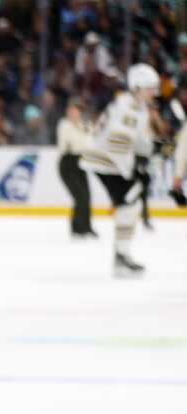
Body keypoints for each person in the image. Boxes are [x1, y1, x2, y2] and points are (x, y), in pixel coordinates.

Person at [81, 64, 158, 277]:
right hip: (106, 161)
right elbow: (119, 143)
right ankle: (121, 258)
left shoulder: (134, 105)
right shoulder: (130, 107)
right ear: (137, 87)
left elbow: (135, 141)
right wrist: (133, 169)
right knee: (130, 203)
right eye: (150, 87)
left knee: (130, 204)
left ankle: (121, 256)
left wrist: (154, 148)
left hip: (106, 160)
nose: (154, 92)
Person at [56, 98, 97, 239]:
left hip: (81, 161)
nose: (72, 112)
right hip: (68, 162)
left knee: (87, 195)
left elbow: (89, 143)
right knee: (80, 196)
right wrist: (79, 129)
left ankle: (87, 227)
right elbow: (68, 144)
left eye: (75, 110)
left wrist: (84, 128)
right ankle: (77, 228)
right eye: (70, 109)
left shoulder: (86, 125)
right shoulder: (64, 124)